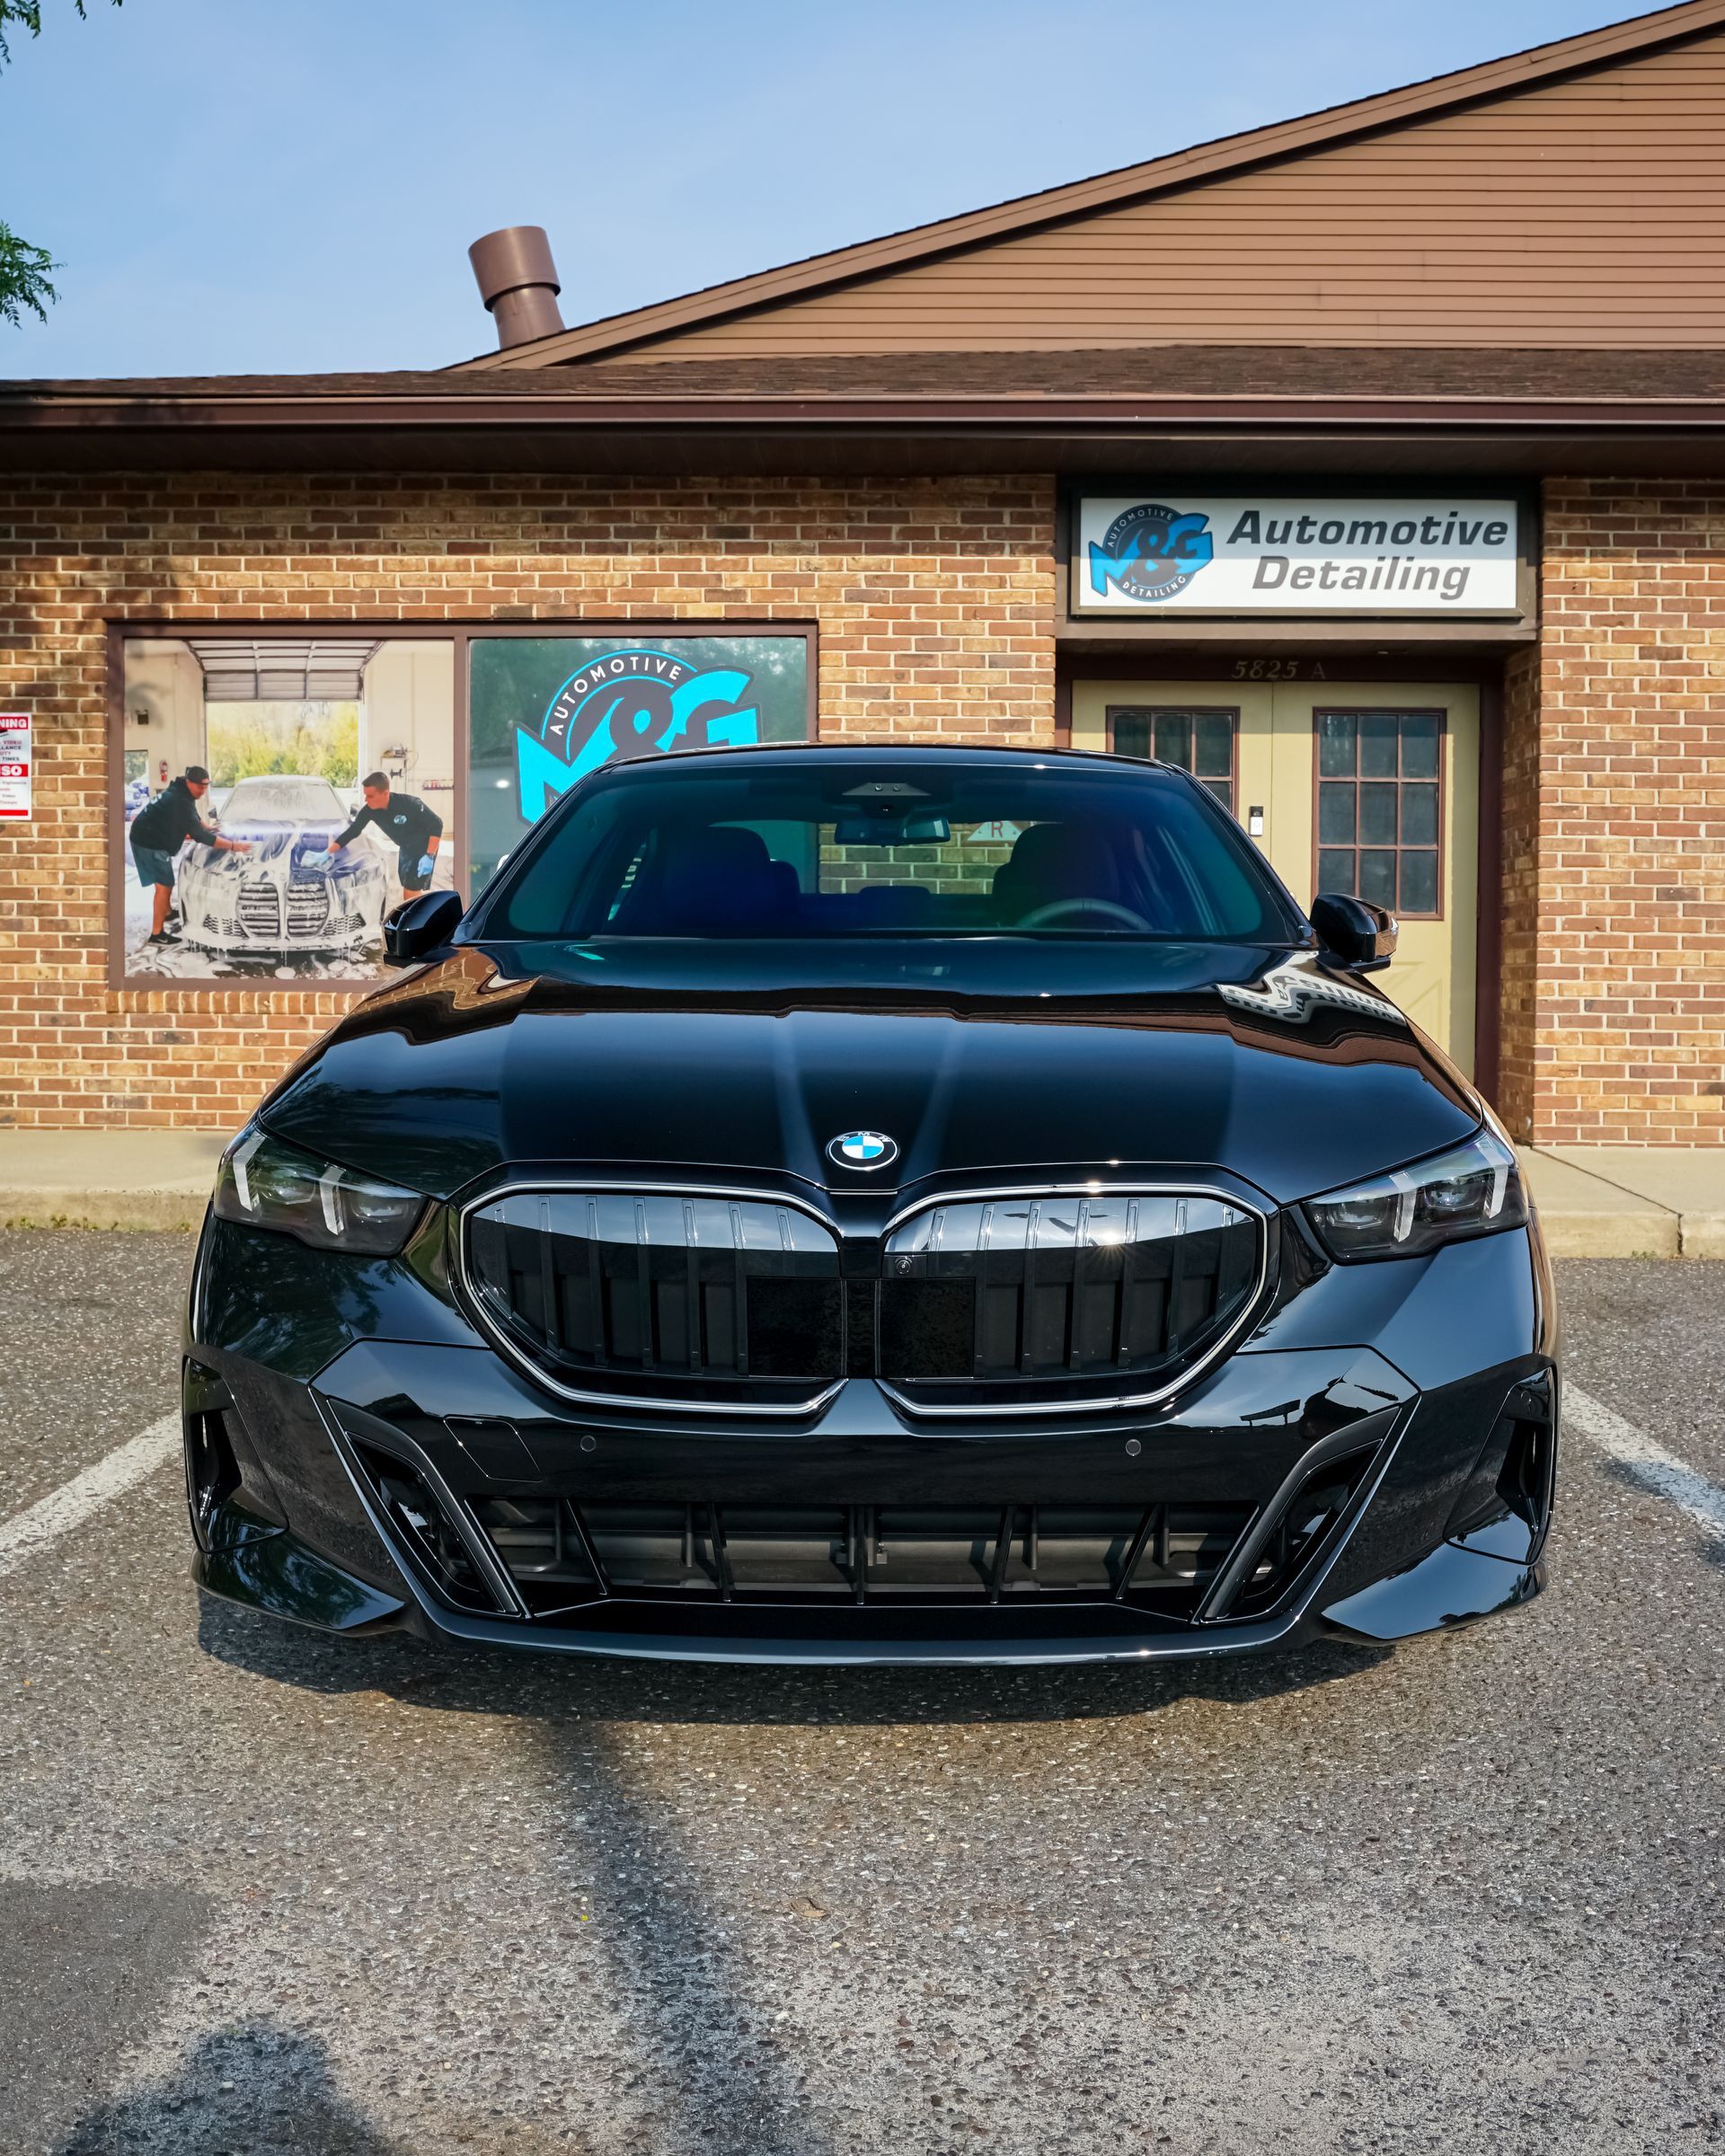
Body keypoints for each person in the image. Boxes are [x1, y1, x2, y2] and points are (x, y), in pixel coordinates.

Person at [128, 764, 250, 945]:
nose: (203, 790)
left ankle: (167, 912)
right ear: (189, 782)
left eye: (207, 786)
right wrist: (233, 846)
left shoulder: (182, 791)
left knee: (164, 882)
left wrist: (208, 826)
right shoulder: (179, 801)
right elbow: (200, 837)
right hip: (148, 841)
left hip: (150, 834)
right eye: (200, 786)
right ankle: (157, 934)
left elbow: (193, 814)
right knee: (164, 885)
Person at [323, 773, 444, 897]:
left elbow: (437, 824)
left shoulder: (409, 804)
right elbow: (353, 831)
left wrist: (429, 856)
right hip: (405, 847)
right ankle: (421, 907)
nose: (366, 800)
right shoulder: (369, 811)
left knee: (410, 890)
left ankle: (415, 914)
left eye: (370, 796)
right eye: (366, 795)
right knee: (407, 883)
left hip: (424, 846)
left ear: (385, 793)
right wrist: (327, 852)